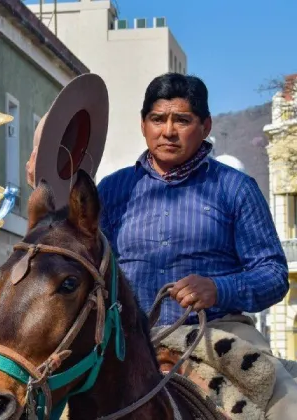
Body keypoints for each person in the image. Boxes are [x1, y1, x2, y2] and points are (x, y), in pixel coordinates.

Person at [91, 72, 295, 420]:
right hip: (129, 341)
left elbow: (274, 274)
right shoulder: (111, 190)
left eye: (182, 120)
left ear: (205, 126)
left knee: (287, 407)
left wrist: (219, 288)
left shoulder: (235, 188)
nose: (168, 131)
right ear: (144, 125)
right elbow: (88, 267)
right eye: (158, 119)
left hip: (222, 335)